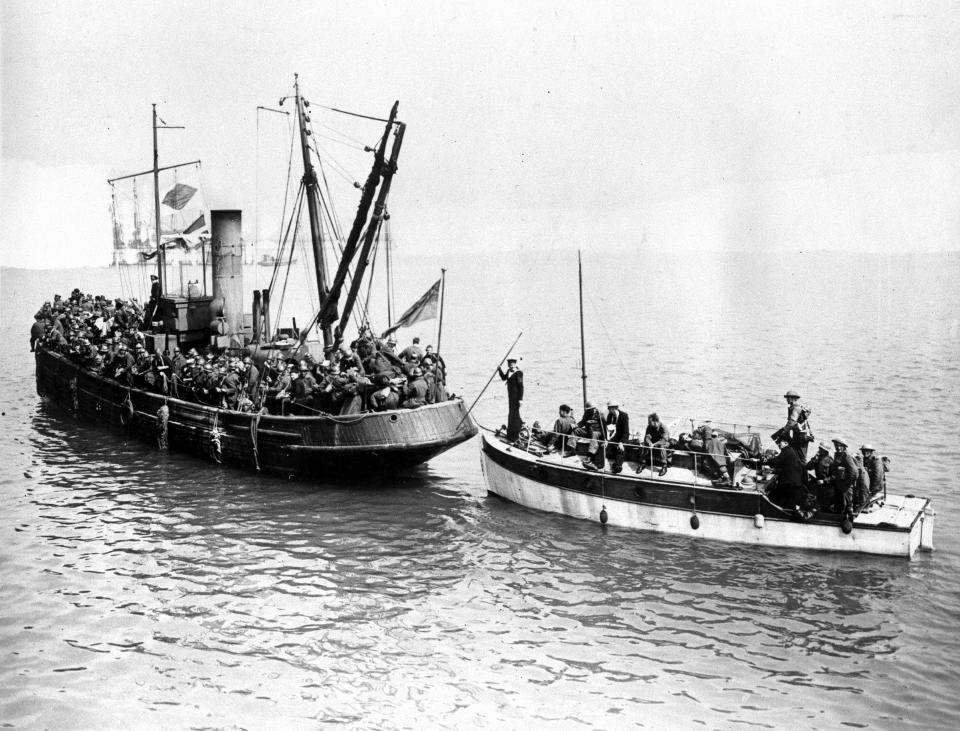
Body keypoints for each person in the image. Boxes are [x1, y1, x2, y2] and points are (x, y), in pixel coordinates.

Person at [771, 390, 813, 459]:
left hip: (801, 435)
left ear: (793, 398)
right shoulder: (797, 407)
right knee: (797, 453)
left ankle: (800, 468)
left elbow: (792, 422)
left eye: (788, 398)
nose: (786, 399)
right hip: (801, 434)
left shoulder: (796, 408)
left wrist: (784, 432)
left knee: (800, 455)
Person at [766, 439, 807, 509]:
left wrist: (766, 460)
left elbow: (776, 462)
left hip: (790, 483)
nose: (778, 444)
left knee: (776, 496)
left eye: (780, 443)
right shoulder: (790, 450)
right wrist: (774, 470)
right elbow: (786, 466)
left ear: (786, 443)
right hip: (795, 481)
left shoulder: (786, 451)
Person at [829, 437, 860, 518]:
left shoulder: (847, 457)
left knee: (844, 506)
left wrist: (847, 484)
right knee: (838, 505)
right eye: (836, 445)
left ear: (844, 446)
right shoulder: (838, 455)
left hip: (845, 487)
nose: (838, 447)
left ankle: (843, 520)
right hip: (839, 485)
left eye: (840, 446)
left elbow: (855, 473)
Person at [497, 356, 524, 441]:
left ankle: (514, 434)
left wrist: (520, 399)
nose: (511, 366)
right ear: (508, 365)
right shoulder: (509, 371)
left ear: (515, 364)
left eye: (513, 364)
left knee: (514, 414)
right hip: (511, 396)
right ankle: (513, 432)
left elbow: (521, 387)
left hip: (516, 397)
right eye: (510, 365)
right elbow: (504, 378)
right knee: (512, 413)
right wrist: (499, 370)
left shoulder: (519, 373)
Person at [805, 441, 835, 511]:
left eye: (821, 449)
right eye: (819, 449)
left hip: (827, 486)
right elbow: (808, 467)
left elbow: (834, 475)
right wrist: (813, 459)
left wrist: (824, 481)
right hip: (818, 483)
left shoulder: (830, 461)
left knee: (824, 505)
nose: (819, 450)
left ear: (825, 451)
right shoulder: (817, 459)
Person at [574, 401, 604, 469]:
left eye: (593, 409)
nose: (592, 410)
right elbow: (583, 422)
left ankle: (589, 456)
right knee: (576, 431)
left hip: (597, 432)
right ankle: (571, 449)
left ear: (595, 408)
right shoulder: (587, 413)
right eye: (590, 409)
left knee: (594, 434)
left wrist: (604, 438)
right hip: (588, 431)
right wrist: (576, 425)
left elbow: (603, 426)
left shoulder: (600, 414)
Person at [604, 401, 630, 473]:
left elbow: (626, 432)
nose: (608, 410)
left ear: (614, 408)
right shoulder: (610, 415)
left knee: (620, 449)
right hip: (615, 436)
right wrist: (606, 440)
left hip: (623, 437)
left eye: (609, 408)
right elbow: (608, 429)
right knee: (606, 448)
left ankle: (618, 466)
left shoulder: (623, 416)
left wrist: (621, 442)